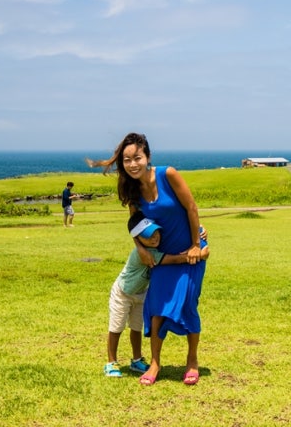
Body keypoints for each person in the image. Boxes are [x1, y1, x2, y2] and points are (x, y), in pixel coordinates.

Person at [88, 133, 206, 386]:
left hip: (190, 252)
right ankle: (154, 363)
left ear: (148, 157)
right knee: (155, 308)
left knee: (187, 303)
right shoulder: (131, 188)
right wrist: (140, 248)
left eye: (137, 158)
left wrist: (197, 244)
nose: (132, 164)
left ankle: (192, 360)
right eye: (127, 160)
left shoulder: (168, 174)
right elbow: (135, 224)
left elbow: (192, 208)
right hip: (162, 256)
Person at [104, 211, 209, 378]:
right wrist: (199, 256)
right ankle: (111, 362)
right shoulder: (147, 253)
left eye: (155, 232)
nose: (154, 238)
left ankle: (137, 359)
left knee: (136, 327)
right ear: (138, 240)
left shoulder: (154, 247)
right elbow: (174, 260)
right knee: (116, 327)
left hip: (140, 293)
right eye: (148, 237)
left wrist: (199, 228)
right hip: (122, 293)